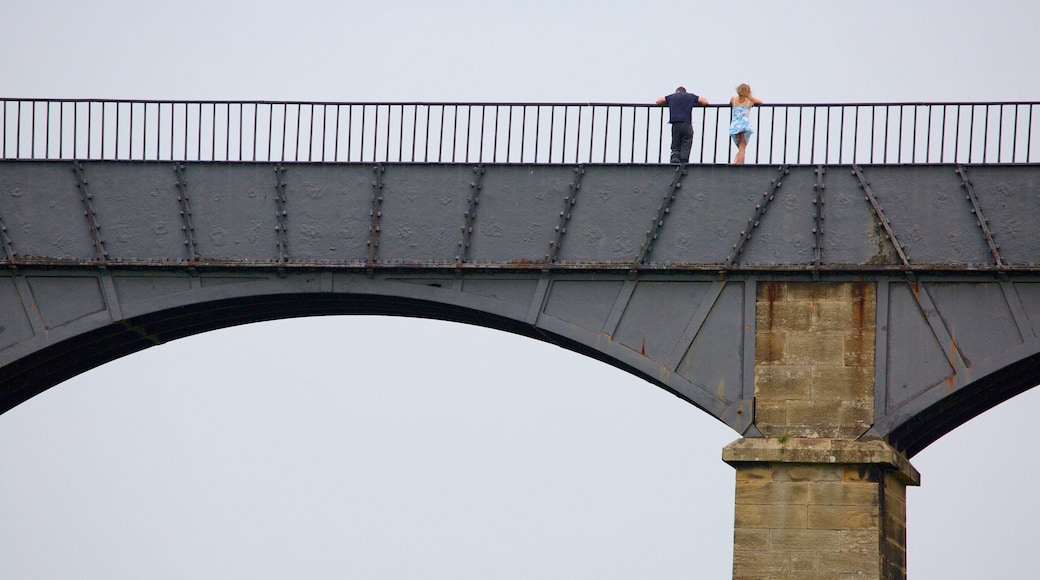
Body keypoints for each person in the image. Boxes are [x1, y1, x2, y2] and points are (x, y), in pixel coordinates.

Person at [656, 87, 708, 164]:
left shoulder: (672, 97)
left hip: (676, 124)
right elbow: (705, 101)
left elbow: (658, 101)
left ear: (677, 92)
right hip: (687, 123)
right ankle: (684, 161)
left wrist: (668, 102)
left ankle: (675, 159)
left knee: (675, 143)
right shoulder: (690, 96)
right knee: (686, 142)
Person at [728, 83, 763, 164]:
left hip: (735, 125)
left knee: (740, 148)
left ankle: (735, 162)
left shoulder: (733, 99)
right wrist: (749, 96)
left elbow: (730, 102)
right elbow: (761, 102)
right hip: (744, 124)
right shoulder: (750, 101)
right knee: (742, 148)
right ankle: (741, 165)